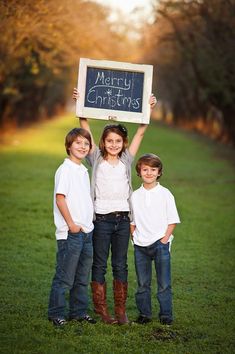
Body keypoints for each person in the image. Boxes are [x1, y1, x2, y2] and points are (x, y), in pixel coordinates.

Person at [73, 88, 157, 324]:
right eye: (109, 141)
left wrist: (147, 110)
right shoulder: (95, 158)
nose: (113, 144)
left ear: (123, 143)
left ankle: (120, 310)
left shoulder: (127, 160)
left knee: (120, 263)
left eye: (117, 141)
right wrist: (82, 108)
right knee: (99, 264)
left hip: (122, 221)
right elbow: (85, 130)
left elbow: (141, 133)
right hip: (100, 220)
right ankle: (103, 311)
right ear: (102, 142)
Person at [48, 128, 96, 327]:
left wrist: (86, 225)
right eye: (78, 143)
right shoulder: (65, 169)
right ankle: (56, 313)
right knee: (65, 277)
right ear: (68, 146)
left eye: (86, 143)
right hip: (71, 232)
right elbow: (61, 199)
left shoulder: (83, 170)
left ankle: (78, 312)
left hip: (86, 232)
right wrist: (71, 225)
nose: (82, 147)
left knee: (82, 277)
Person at [130, 153, 180, 325]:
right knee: (143, 283)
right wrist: (134, 237)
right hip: (140, 246)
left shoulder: (165, 194)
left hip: (160, 244)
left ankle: (166, 316)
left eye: (153, 169)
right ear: (139, 172)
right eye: (145, 169)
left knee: (164, 283)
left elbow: (172, 220)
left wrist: (164, 240)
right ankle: (144, 314)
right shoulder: (135, 196)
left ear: (159, 172)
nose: (149, 173)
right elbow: (132, 221)